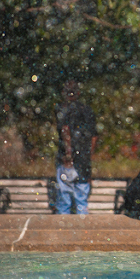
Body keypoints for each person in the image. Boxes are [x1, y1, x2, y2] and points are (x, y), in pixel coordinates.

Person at [55, 80, 98, 214]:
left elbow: (65, 130)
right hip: (83, 159)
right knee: (81, 200)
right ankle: (81, 223)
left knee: (64, 199)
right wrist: (88, 156)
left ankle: (63, 224)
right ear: (78, 93)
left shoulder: (62, 109)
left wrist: (68, 153)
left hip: (68, 159)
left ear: (64, 93)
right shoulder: (87, 110)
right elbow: (94, 136)